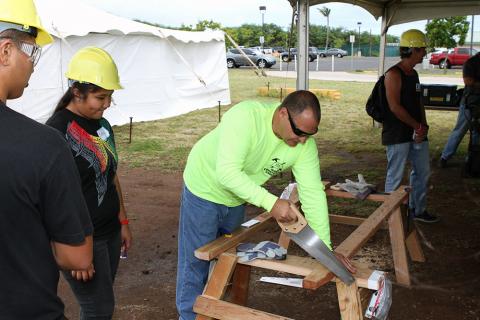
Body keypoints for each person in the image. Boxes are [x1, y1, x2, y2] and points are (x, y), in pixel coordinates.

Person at [176, 90, 356, 320]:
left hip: (236, 197)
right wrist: (270, 202)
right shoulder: (245, 117)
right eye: (299, 132)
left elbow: (312, 193)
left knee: (227, 256)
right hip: (203, 187)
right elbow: (227, 173)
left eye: (309, 135)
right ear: (282, 114)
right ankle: (188, 317)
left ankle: (216, 311)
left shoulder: (304, 145)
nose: (302, 140)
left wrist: (326, 251)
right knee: (196, 260)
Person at [0, 0, 94, 319]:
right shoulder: (44, 145)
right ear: (6, 51)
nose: (33, 64)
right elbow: (78, 257)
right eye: (32, 51)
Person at [46, 47, 132, 320]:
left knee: (99, 303)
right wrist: (74, 250)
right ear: (76, 92)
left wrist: (124, 221)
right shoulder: (55, 132)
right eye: (100, 97)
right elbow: (53, 198)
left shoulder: (103, 125)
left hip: (109, 231)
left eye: (110, 97)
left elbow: (111, 174)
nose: (106, 104)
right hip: (83, 239)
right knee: (99, 309)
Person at [383, 29, 439, 223]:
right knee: (395, 176)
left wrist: (423, 125)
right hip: (398, 134)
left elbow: (418, 102)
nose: (424, 53)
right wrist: (417, 126)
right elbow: (394, 107)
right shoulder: (393, 74)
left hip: (417, 132)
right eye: (423, 49)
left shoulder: (413, 74)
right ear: (414, 49)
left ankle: (418, 210)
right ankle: (390, 217)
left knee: (422, 172)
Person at [439, 52, 480, 168]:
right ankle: (445, 157)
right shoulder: (471, 63)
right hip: (469, 103)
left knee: (478, 132)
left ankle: (473, 160)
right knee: (460, 130)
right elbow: (468, 81)